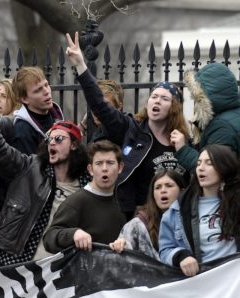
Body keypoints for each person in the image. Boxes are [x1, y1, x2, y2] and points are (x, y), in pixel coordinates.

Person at [66, 31, 189, 216]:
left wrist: (185, 150)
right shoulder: (131, 128)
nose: (156, 101)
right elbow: (99, 105)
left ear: (175, 108)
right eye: (154, 96)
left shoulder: (184, 141)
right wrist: (81, 66)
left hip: (176, 216)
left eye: (164, 98)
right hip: (139, 216)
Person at [159, 144, 240, 277]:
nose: (201, 168)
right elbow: (165, 250)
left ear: (224, 167)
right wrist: (181, 256)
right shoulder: (179, 209)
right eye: (198, 163)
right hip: (204, 282)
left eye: (208, 163)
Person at [43, 139, 126, 254]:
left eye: (110, 163)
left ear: (120, 168)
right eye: (99, 163)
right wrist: (73, 234)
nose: (104, 168)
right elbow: (49, 238)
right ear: (90, 170)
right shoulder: (77, 201)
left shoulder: (121, 202)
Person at [170, 64, 240, 171]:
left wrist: (183, 150)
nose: (196, 103)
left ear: (209, 97)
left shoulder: (222, 127)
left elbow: (211, 171)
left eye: (199, 98)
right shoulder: (236, 115)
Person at [110, 168, 187, 260]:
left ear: (182, 191)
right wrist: (120, 245)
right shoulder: (137, 224)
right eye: (157, 187)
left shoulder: (194, 217)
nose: (163, 190)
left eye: (169, 186)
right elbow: (122, 260)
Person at [10, 66, 63, 155]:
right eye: (38, 90)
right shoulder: (23, 130)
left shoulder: (57, 116)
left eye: (46, 85)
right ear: (24, 99)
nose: (46, 91)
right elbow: (31, 167)